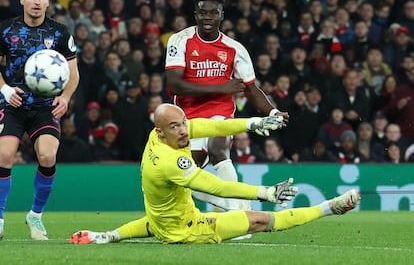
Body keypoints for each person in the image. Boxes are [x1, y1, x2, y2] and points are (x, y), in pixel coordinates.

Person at [69, 103, 360, 245]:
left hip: (162, 220)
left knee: (157, 221)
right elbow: (217, 187)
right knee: (261, 220)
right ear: (161, 131)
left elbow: (215, 127)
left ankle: (108, 235)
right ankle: (330, 208)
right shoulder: (171, 162)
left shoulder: (160, 135)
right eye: (176, 127)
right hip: (188, 230)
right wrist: (265, 193)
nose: (184, 130)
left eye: (183, 123)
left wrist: (254, 122)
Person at [165, 0, 289, 212]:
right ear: (196, 14)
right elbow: (175, 84)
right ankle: (233, 206)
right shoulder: (180, 40)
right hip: (187, 119)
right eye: (203, 13)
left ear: (221, 15)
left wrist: (272, 112)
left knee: (219, 149)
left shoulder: (235, 49)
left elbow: (251, 89)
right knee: (181, 176)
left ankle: (239, 216)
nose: (208, 18)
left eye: (214, 13)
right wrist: (220, 86)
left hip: (219, 113)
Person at [0, 0, 80, 240]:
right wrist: (5, 89)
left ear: (48, 0)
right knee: (4, 155)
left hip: (45, 107)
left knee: (47, 156)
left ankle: (35, 216)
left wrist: (66, 97)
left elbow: (73, 72)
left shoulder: (60, 32)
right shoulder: (5, 30)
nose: (37, 1)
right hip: (12, 104)